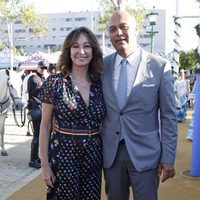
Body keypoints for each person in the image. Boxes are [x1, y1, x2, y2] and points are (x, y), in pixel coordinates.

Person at [101, 11, 178, 200]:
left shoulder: (160, 66)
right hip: (111, 155)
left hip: (145, 155)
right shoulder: (101, 66)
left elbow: (168, 117)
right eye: (113, 29)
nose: (118, 33)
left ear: (136, 30)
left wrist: (168, 158)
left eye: (124, 27)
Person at [39, 27, 106, 199]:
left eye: (87, 46)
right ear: (68, 51)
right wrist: (45, 166)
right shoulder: (54, 83)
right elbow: (45, 127)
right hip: (63, 153)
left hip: (93, 153)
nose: (81, 51)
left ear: (94, 50)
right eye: (75, 46)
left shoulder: (101, 84)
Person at [27, 61, 47, 169]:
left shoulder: (42, 78)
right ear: (37, 67)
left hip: (41, 109)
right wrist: (44, 87)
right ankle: (32, 159)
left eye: (44, 68)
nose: (43, 70)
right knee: (36, 136)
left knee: (39, 135)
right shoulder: (33, 78)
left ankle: (36, 157)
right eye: (41, 68)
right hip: (36, 108)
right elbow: (33, 92)